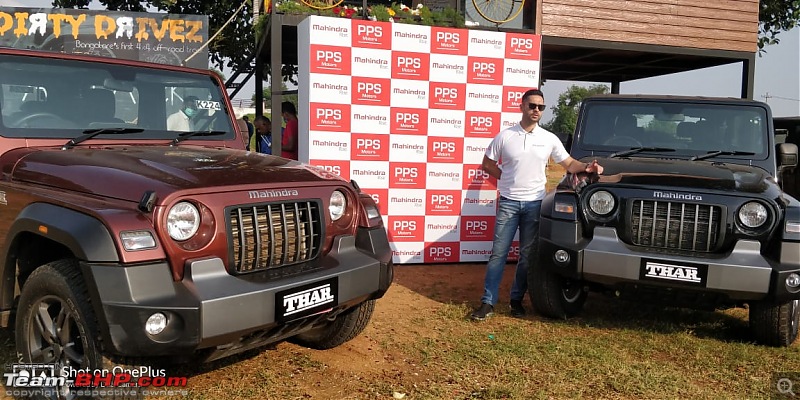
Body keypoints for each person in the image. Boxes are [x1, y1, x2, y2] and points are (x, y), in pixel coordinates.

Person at [470, 88, 603, 321]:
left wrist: (587, 168)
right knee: (498, 255)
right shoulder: (505, 136)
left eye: (540, 107)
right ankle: (488, 302)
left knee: (527, 257)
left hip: (535, 204)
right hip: (509, 203)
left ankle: (516, 301)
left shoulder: (548, 138)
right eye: (532, 106)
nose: (536, 110)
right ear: (521, 106)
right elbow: (487, 164)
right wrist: (506, 178)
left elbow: (569, 163)